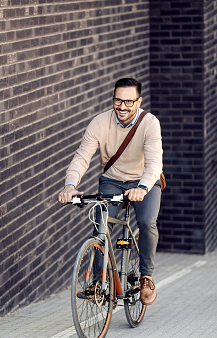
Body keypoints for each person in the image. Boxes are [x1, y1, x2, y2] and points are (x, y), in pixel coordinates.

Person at [57, 78, 162, 305]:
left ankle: (146, 276)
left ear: (139, 101)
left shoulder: (150, 123)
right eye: (117, 100)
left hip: (144, 181)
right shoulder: (99, 123)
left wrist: (142, 187)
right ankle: (98, 282)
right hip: (112, 180)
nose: (122, 106)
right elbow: (82, 157)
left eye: (128, 101)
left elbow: (154, 163)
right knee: (100, 226)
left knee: (146, 222)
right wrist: (70, 185)